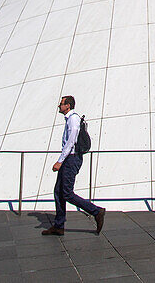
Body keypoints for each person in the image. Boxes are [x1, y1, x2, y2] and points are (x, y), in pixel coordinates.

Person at [42, 95, 105, 236]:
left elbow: (71, 142)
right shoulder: (69, 119)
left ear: (68, 106)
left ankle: (96, 211)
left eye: (61, 104)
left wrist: (60, 161)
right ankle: (59, 225)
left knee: (67, 193)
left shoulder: (73, 119)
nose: (59, 106)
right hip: (69, 159)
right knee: (58, 191)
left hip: (71, 159)